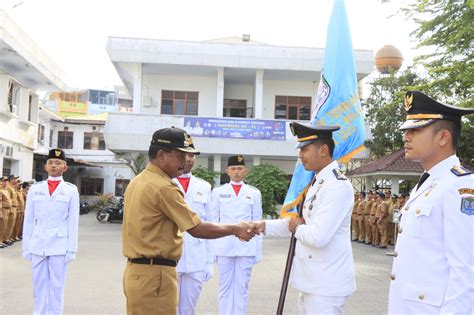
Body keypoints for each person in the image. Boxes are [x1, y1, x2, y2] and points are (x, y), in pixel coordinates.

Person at [122, 127, 255, 315]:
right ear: (161, 154)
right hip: (155, 275)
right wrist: (236, 228)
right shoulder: (163, 187)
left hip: (138, 272)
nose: (186, 162)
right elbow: (197, 228)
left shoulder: (138, 181)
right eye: (180, 156)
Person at [249, 122, 356, 314]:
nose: (300, 155)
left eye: (305, 149)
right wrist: (261, 225)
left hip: (326, 284)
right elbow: (297, 223)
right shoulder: (318, 182)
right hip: (313, 282)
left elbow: (317, 236)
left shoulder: (336, 185)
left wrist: (296, 228)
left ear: (323, 150)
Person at [388, 91, 474, 314]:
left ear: (443, 137)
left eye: (415, 130)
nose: (406, 137)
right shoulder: (428, 182)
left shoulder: (460, 186)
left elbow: (466, 271)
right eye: (406, 130)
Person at [22, 149, 80, 315]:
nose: (54, 166)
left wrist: (72, 249)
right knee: (38, 285)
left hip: (60, 245)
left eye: (58, 163)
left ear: (65, 167)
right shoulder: (35, 189)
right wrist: (26, 246)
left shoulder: (70, 190)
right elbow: (29, 220)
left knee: (57, 286)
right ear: (45, 167)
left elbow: (73, 222)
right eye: (50, 163)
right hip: (38, 242)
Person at [211, 155, 263, 315]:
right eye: (233, 168)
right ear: (227, 171)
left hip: (246, 246)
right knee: (224, 286)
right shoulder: (218, 192)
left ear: (245, 171)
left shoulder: (254, 193)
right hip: (224, 246)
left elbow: (258, 222)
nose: (237, 172)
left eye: (240, 168)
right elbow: (213, 221)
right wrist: (211, 250)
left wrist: (258, 251)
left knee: (242, 287)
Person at [172, 142, 214, 315]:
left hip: (196, 259)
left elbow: (210, 223)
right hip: (171, 257)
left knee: (189, 309)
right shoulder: (166, 183)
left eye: (192, 156)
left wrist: (209, 262)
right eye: (184, 155)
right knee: (168, 308)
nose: (188, 159)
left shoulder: (204, 186)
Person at [0, 176, 12, 248]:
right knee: (1, 226)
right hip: (3, 209)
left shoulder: (6, 190)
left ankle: (2, 239)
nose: (6, 182)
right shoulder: (0, 190)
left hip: (7, 209)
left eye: (7, 181)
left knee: (5, 226)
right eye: (4, 181)